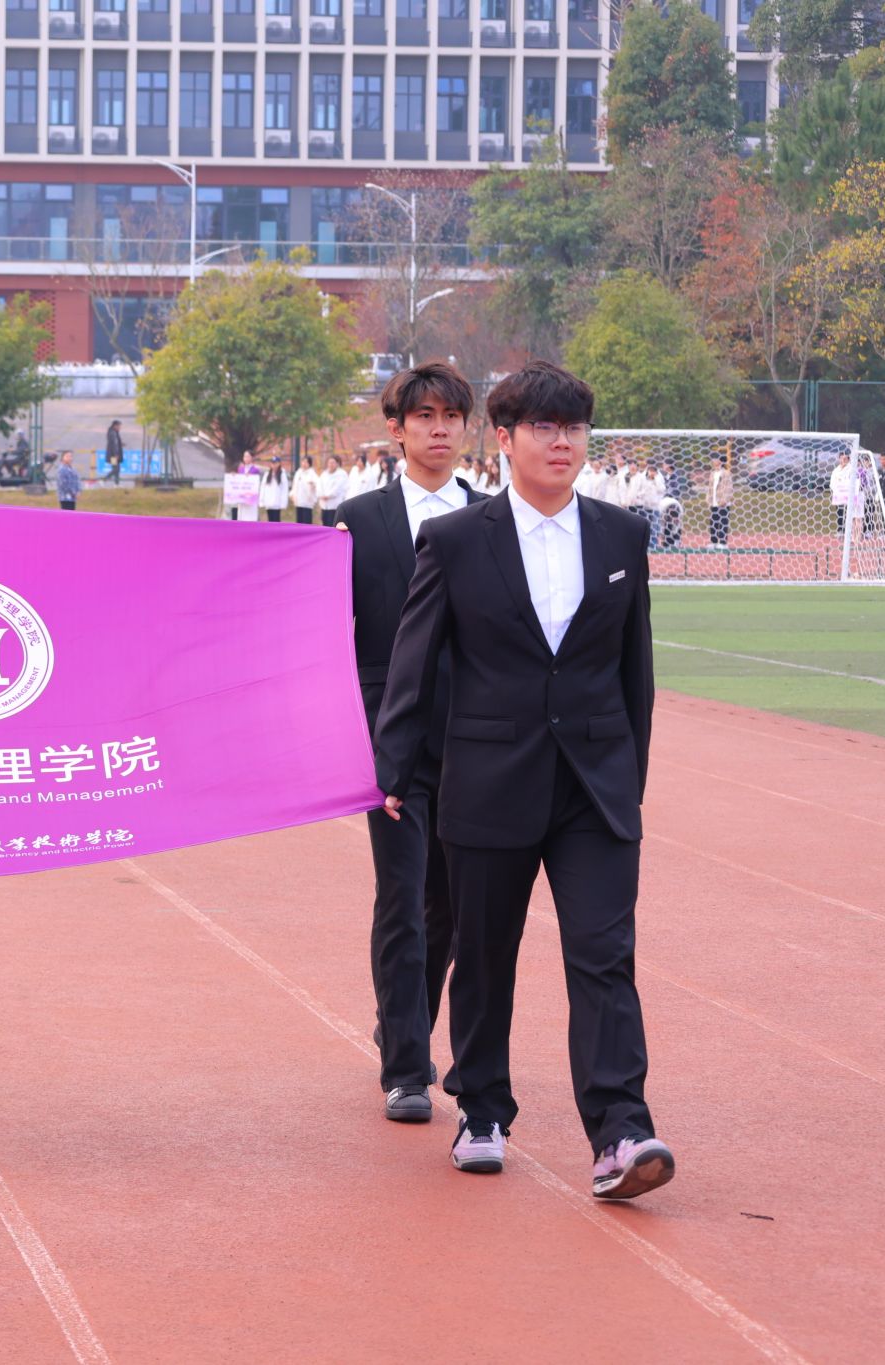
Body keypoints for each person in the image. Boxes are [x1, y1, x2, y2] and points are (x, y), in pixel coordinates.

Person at [374, 360, 672, 1200]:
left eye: (573, 427)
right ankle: (482, 1109)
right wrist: (395, 765)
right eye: (543, 427)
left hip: (594, 788)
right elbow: (413, 663)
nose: (561, 442)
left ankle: (621, 1128)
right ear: (504, 439)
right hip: (488, 779)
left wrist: (629, 777)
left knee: (604, 955)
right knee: (483, 956)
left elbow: (636, 671)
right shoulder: (456, 540)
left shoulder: (621, 536)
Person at [341, 362, 486, 1124]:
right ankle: (406, 1065)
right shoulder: (357, 521)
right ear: (396, 428)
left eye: (450, 416)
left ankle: (406, 1021)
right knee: (401, 896)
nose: (438, 429)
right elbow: (327, 629)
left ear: (467, 428)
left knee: (451, 907)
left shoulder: (494, 518)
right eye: (423, 416)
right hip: (387, 737)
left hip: (476, 737)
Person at [707, 456, 733, 545]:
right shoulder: (712, 473)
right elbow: (710, 488)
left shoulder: (726, 473)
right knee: (713, 523)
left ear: (720, 461)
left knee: (723, 522)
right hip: (714, 502)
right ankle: (713, 542)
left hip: (723, 503)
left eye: (715, 459)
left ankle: (722, 543)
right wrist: (708, 499)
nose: (713, 461)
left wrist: (725, 500)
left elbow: (729, 488)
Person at [318, 454, 348, 528]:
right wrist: (321, 495)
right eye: (329, 463)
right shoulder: (324, 474)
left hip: (335, 504)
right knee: (325, 524)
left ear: (337, 463)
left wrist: (328, 496)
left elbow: (338, 488)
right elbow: (319, 485)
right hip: (324, 504)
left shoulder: (342, 474)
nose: (331, 464)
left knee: (332, 524)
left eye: (333, 462)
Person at [830, 452, 857, 535]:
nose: (843, 460)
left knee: (849, 513)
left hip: (848, 495)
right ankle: (840, 530)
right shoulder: (836, 470)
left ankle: (848, 531)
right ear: (839, 459)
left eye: (845, 458)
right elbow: (832, 483)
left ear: (848, 459)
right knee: (840, 512)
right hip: (838, 495)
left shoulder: (851, 469)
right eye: (842, 458)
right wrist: (836, 490)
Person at [292, 455, 319, 525]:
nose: (304, 464)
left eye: (306, 462)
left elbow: (317, 483)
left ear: (309, 464)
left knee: (306, 522)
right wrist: (293, 495)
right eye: (303, 462)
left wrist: (313, 484)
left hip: (307, 502)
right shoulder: (298, 473)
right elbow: (294, 485)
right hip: (299, 501)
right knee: (299, 522)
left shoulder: (312, 473)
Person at [104, 420, 125, 486]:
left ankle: (117, 484)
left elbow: (115, 443)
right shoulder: (113, 433)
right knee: (115, 469)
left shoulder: (113, 432)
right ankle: (104, 479)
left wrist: (121, 444)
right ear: (115, 426)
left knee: (117, 469)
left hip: (113, 454)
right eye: (119, 426)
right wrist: (116, 454)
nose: (120, 428)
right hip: (113, 455)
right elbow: (114, 444)